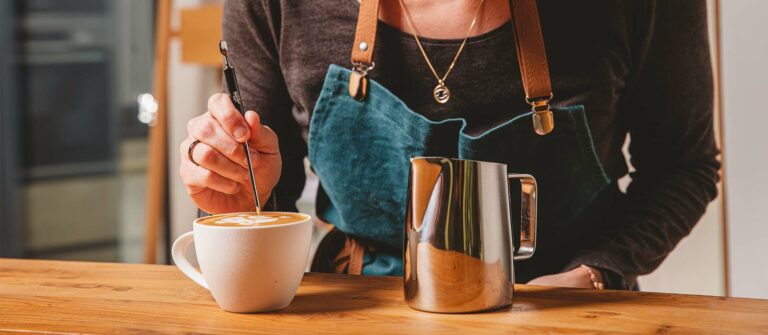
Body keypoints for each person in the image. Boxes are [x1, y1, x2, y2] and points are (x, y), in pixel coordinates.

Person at [179, 0, 719, 290]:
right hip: (359, 304)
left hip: (565, 308)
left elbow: (683, 165)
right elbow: (259, 187)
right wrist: (236, 193)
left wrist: (598, 273)